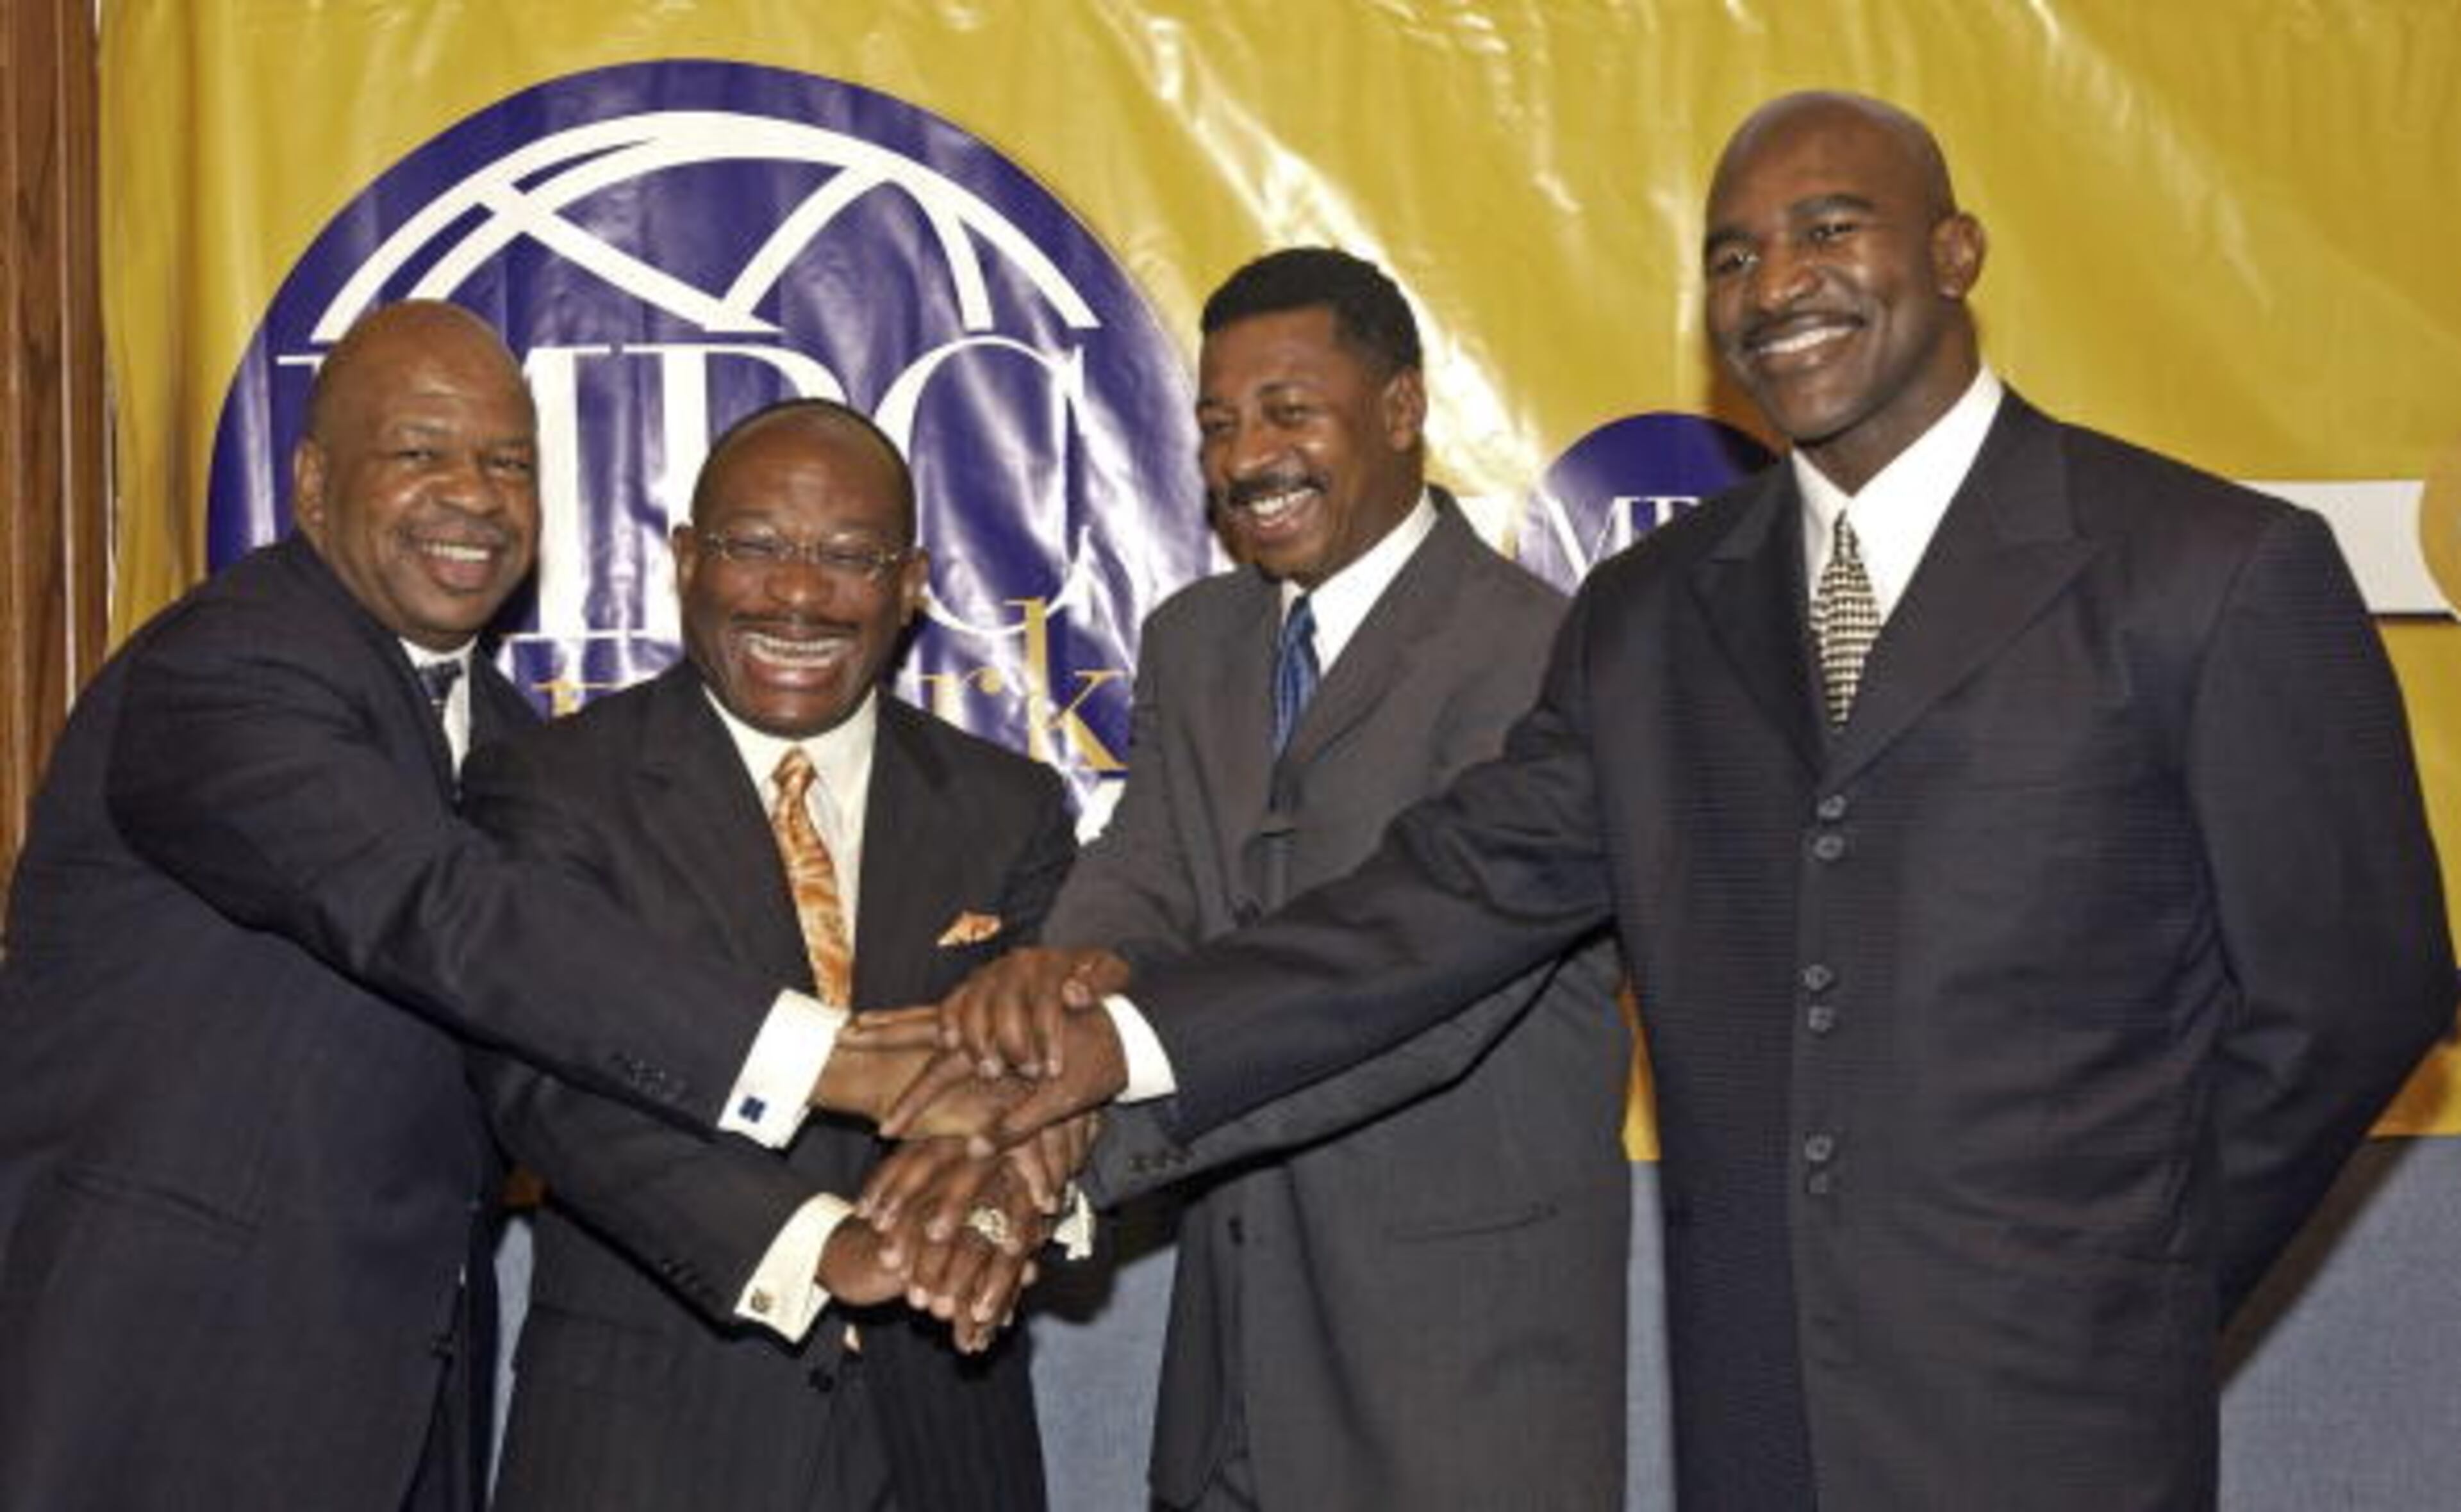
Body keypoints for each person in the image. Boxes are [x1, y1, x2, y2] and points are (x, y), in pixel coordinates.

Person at [876, 94, 2455, 1509]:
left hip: (2055, 1420)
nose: (1777, 285)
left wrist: (2143, 1274)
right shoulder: (1653, 613)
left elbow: (2357, 989)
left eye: (1829, 230)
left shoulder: (2205, 567)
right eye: (1732, 257)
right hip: (1755, 1411)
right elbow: (1444, 901)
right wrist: (1118, 1043)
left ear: (1957, 251)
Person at [0, 303, 957, 1510]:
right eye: (420, 453)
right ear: (312, 485)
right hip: (168, 1376)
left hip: (401, 1392)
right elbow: (434, 908)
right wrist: (830, 1058)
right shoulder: (225, 670)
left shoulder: (503, 737)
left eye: (509, 463)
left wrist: (817, 1235)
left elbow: (552, 1064)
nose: (474, 495)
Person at [871, 249, 1628, 1508]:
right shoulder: (1197, 638)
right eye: (1219, 425)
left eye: (1289, 412)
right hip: (1230, 1373)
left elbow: (1411, 992)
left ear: (1401, 409)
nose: (1246, 459)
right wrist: (1059, 984)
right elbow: (1147, 871)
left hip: (1453, 1387)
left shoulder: (1538, 657)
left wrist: (1060, 1117)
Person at [469, 398, 1073, 1511]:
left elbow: (1052, 1073)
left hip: (946, 1436)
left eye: (850, 556)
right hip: (650, 1443)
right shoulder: (554, 789)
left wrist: (1003, 1205)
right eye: (754, 546)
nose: (798, 595)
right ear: (685, 561)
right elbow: (548, 1088)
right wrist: (818, 1247)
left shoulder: (1012, 809)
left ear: (912, 585)